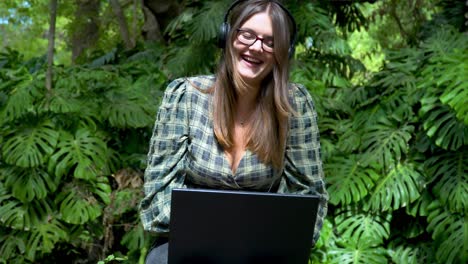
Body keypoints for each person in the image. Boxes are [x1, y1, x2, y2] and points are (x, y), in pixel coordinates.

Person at [139, 0, 328, 263]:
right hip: (186, 243)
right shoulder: (184, 96)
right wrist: (220, 230)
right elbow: (156, 198)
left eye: (270, 42)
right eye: (247, 35)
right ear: (227, 37)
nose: (256, 47)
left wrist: (254, 236)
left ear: (284, 52)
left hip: (263, 247)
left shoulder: (295, 106)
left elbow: (309, 199)